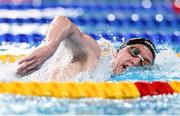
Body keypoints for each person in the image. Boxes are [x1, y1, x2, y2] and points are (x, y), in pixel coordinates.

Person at [16, 16, 156, 80]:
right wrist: (50, 47)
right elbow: (64, 22)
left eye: (144, 63)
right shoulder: (93, 55)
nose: (136, 61)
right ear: (117, 53)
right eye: (134, 51)